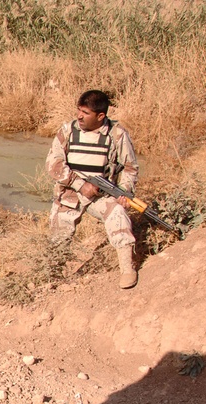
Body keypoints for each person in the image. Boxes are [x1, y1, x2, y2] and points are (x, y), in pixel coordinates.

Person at [46, 89, 140, 288]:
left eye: (85, 113)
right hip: (70, 194)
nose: (79, 116)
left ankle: (127, 267)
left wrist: (123, 192)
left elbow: (131, 167)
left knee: (118, 214)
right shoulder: (67, 131)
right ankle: (51, 280)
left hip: (102, 195)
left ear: (100, 116)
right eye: (79, 110)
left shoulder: (117, 134)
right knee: (57, 241)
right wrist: (80, 184)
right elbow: (53, 165)